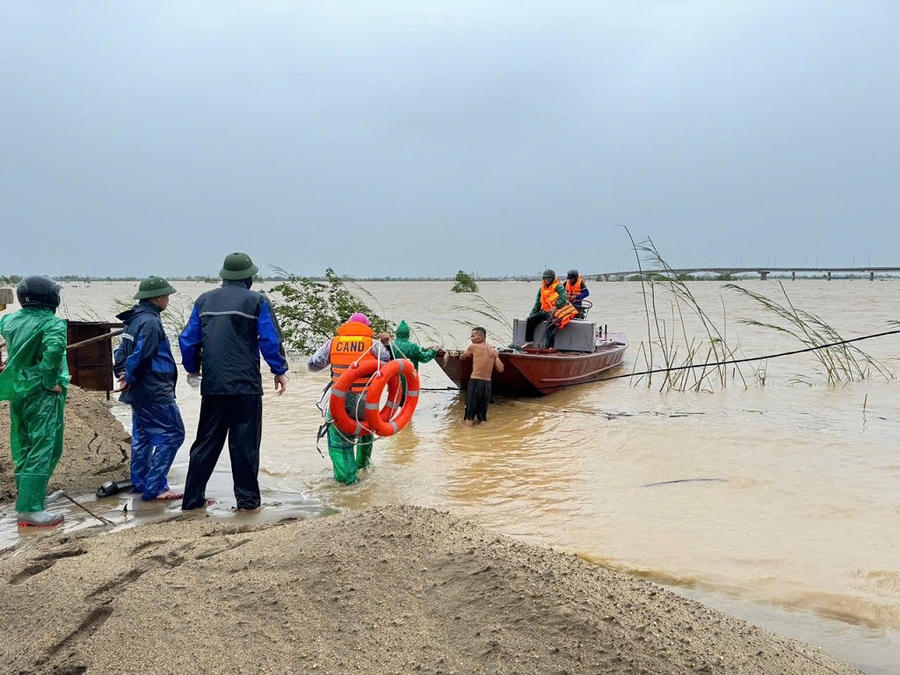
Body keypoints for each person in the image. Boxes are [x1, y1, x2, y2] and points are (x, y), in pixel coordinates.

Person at [178, 252, 289, 511]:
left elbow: (187, 340)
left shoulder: (203, 300)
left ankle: (192, 500)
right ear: (249, 277)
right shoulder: (258, 301)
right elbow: (270, 339)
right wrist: (279, 370)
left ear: (225, 277)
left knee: (205, 442)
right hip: (245, 385)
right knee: (245, 445)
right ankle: (248, 502)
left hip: (214, 385)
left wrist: (193, 369)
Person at [0, 276, 68, 527]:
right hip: (42, 393)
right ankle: (30, 508)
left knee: (24, 446)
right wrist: (50, 380)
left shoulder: (9, 320)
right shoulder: (53, 324)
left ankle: (29, 498)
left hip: (18, 389)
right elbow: (53, 351)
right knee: (45, 447)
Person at [113, 276, 185, 501]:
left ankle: (141, 482)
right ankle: (156, 487)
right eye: (166, 295)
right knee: (173, 434)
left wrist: (121, 374)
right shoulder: (151, 322)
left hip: (138, 391)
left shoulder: (134, 320)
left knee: (142, 436)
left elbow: (121, 352)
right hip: (153, 389)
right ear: (156, 297)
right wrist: (131, 376)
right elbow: (142, 353)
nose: (168, 300)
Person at [307, 312, 391, 485]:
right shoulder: (372, 344)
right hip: (365, 402)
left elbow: (313, 365)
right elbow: (389, 362)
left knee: (338, 439)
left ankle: (347, 480)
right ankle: (363, 467)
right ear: (367, 328)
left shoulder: (333, 343)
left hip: (340, 401)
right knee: (366, 432)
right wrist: (386, 345)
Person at [460, 327, 503, 426]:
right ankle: (482, 436)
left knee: (469, 416)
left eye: (473, 336)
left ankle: (466, 438)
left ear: (481, 336)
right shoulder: (493, 350)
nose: (471, 338)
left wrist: (465, 353)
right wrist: (496, 356)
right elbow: (500, 369)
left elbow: (462, 357)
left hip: (475, 381)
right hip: (487, 384)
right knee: (482, 417)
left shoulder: (473, 347)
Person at [525, 269, 568, 348]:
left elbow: (563, 298)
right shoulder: (541, 289)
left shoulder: (558, 287)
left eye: (548, 278)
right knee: (530, 319)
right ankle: (529, 341)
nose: (546, 280)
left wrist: (556, 306)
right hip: (544, 311)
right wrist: (532, 313)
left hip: (555, 313)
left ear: (552, 279)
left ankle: (550, 347)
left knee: (550, 325)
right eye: (545, 278)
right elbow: (538, 303)